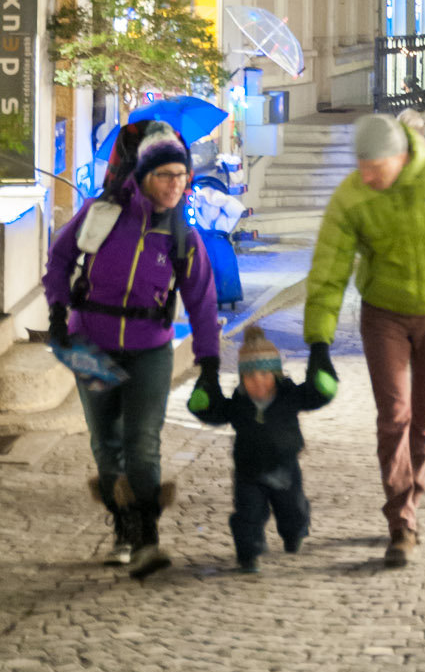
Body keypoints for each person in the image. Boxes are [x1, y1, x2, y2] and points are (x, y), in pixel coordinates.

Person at [304, 111, 425, 567]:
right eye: (361, 166)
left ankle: (411, 495)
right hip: (383, 315)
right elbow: (329, 268)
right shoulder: (352, 196)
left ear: (400, 156)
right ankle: (401, 520)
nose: (367, 176)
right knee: (394, 415)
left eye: (375, 167)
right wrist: (319, 340)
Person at [44, 124, 220, 578]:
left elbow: (202, 301)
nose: (175, 184)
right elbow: (60, 258)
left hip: (150, 351)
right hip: (91, 346)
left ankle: (146, 540)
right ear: (143, 176)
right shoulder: (101, 214)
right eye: (165, 175)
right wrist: (58, 312)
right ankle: (123, 525)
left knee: (143, 445)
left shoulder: (181, 235)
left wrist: (209, 361)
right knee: (107, 445)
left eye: (181, 175)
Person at [186, 323, 337, 573]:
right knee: (248, 514)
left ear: (276, 375)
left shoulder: (289, 396)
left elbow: (312, 396)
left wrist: (323, 385)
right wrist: (203, 401)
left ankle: (294, 533)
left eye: (264, 375)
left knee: (292, 509)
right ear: (242, 379)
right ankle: (249, 553)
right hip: (249, 470)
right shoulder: (239, 403)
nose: (258, 381)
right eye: (250, 376)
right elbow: (217, 412)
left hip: (285, 468)